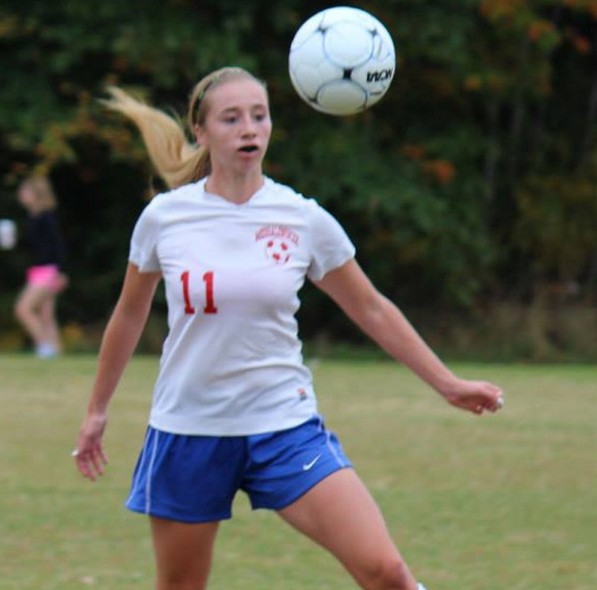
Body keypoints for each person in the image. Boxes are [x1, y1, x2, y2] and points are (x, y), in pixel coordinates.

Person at [73, 67, 504, 590]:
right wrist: (98, 410)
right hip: (189, 431)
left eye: (259, 115)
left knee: (387, 572)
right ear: (202, 132)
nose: (249, 129)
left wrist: (449, 383)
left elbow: (370, 308)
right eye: (231, 118)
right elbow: (128, 314)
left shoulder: (301, 217)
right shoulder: (165, 218)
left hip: (283, 426)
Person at [14, 175, 68, 359]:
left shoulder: (45, 219)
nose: (20, 194)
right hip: (39, 270)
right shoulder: (33, 218)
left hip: (48, 271)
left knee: (23, 308)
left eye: (25, 191)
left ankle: (44, 346)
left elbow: (58, 246)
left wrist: (60, 272)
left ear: (36, 194)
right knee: (46, 313)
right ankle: (55, 351)